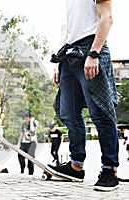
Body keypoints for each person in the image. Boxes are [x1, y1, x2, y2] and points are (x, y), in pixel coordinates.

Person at [50, 0, 119, 191]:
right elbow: (71, 29)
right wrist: (59, 62)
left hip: (91, 47)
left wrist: (94, 53)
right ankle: (76, 165)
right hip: (69, 52)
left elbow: (107, 18)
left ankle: (109, 169)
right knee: (68, 112)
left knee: (100, 111)